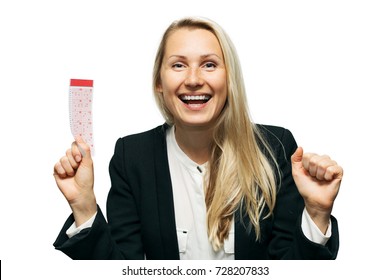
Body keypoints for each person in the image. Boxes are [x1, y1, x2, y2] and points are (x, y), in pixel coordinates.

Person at [53, 17, 343, 260]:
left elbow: (291, 270)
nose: (193, 79)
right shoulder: (132, 156)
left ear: (229, 79)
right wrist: (84, 205)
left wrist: (317, 213)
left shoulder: (275, 147)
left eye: (209, 64)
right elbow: (121, 272)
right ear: (159, 82)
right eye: (178, 65)